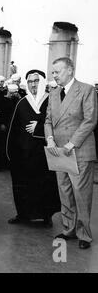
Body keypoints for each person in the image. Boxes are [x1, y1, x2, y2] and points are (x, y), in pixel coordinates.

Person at [45, 57, 97, 250]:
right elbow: (48, 120)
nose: (54, 75)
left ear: (70, 70)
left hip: (79, 151)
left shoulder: (86, 90)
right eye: (53, 72)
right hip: (58, 151)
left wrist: (71, 143)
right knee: (65, 192)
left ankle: (84, 234)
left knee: (81, 194)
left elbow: (90, 120)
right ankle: (69, 229)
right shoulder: (53, 93)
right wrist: (50, 138)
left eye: (57, 71)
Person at [7, 70, 60, 226]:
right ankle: (22, 214)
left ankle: (46, 216)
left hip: (44, 154)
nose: (33, 84)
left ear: (42, 82)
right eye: (30, 82)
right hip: (23, 156)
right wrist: (10, 154)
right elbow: (13, 129)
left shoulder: (52, 101)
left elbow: (59, 124)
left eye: (36, 81)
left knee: (45, 186)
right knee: (22, 186)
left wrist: (40, 127)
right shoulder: (22, 102)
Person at [0, 84, 20, 169]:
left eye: (15, 93)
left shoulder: (18, 100)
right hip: (4, 125)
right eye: (12, 93)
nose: (13, 95)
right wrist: (1, 123)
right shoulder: (2, 100)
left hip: (13, 126)